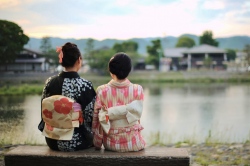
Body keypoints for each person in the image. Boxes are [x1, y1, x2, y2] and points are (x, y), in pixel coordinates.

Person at [38, 42, 96, 151]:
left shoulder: (50, 82)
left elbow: (44, 111)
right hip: (77, 140)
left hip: (52, 140)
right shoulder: (84, 85)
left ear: (62, 61)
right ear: (79, 60)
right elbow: (91, 117)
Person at [92, 52, 146, 152]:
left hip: (110, 144)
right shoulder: (138, 89)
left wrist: (97, 143)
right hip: (134, 142)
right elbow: (137, 117)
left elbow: (96, 120)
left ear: (111, 70)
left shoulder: (102, 90)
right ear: (129, 70)